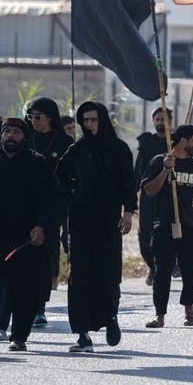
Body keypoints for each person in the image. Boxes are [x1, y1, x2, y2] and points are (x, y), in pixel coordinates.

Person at [57, 102, 135, 353]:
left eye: (93, 120)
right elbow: (59, 178)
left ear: (102, 119)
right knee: (79, 275)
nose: (89, 125)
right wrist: (70, 197)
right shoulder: (76, 150)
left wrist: (128, 213)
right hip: (79, 222)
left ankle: (110, 317)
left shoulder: (119, 149)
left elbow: (128, 183)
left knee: (107, 273)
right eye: (85, 121)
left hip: (108, 221)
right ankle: (82, 334)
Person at [140, 123, 193, 328]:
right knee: (162, 271)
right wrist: (166, 170)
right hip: (164, 225)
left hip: (191, 226)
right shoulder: (159, 161)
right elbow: (150, 190)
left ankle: (189, 309)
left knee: (191, 272)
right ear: (183, 141)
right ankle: (159, 315)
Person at [1, 117, 55, 352]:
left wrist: (41, 226)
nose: (11, 136)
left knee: (23, 289)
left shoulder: (36, 163)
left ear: (24, 136)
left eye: (16, 132)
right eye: (7, 131)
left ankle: (19, 335)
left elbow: (49, 198)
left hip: (25, 237)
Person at [25, 97, 71, 329]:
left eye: (38, 117)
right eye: (31, 116)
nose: (34, 121)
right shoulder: (25, 138)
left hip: (53, 206)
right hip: (23, 205)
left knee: (45, 255)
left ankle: (40, 307)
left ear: (50, 118)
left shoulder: (64, 142)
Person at [134, 106, 173, 283]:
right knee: (145, 235)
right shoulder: (147, 143)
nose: (160, 122)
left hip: (171, 194)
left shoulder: (176, 143)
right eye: (157, 119)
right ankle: (152, 267)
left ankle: (169, 266)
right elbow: (138, 172)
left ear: (170, 121)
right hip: (149, 196)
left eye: (163, 119)